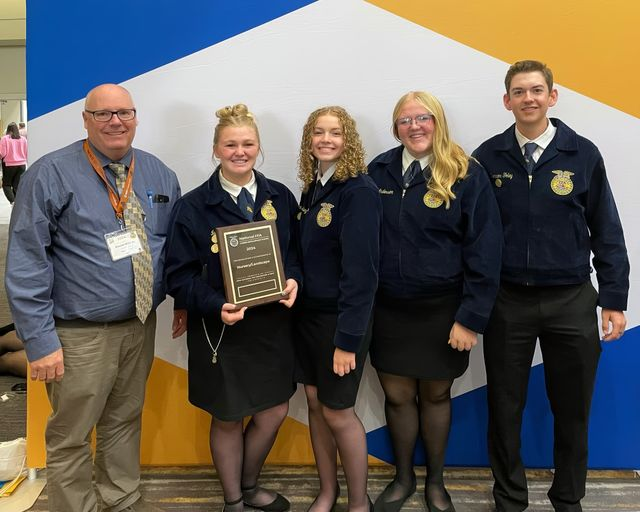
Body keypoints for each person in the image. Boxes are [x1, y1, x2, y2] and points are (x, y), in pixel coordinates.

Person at [5, 83, 181, 512]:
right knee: (71, 434)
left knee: (124, 420)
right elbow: (27, 261)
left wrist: (187, 300)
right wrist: (39, 341)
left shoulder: (159, 174)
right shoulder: (50, 173)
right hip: (78, 334)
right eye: (103, 114)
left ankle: (121, 498)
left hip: (139, 326)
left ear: (136, 117)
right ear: (85, 120)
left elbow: (174, 248)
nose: (115, 121)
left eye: (124, 113)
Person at [473, 60, 630, 512]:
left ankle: (568, 497)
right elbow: (474, 233)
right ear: (507, 101)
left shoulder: (582, 153)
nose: (529, 98)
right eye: (519, 92)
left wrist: (614, 299)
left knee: (573, 407)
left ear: (552, 96)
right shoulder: (487, 156)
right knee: (505, 407)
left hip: (571, 299)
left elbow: (607, 230)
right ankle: (509, 498)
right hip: (508, 300)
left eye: (537, 90)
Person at [367, 92, 501, 512]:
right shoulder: (378, 171)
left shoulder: (465, 172)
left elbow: (485, 250)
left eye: (423, 118)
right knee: (397, 397)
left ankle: (436, 483)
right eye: (405, 120)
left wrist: (470, 318)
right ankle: (404, 477)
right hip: (389, 310)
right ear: (395, 128)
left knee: (437, 397)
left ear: (438, 122)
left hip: (445, 311)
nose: (415, 127)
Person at [164, 104, 301, 512]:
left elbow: (296, 255)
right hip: (220, 329)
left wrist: (294, 280)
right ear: (215, 149)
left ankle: (249, 484)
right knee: (227, 416)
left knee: (275, 409)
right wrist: (216, 304)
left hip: (272, 327)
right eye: (230, 145)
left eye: (248, 144)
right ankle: (233, 502)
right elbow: (178, 276)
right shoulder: (193, 206)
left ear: (258, 147)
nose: (240, 152)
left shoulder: (280, 196)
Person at [295, 106, 381, 512]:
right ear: (308, 140)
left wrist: (347, 340)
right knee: (315, 404)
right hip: (308, 318)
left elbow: (362, 273)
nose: (326, 139)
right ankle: (327, 492)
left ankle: (359, 503)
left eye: (335, 132)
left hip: (342, 321)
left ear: (349, 140)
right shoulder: (312, 189)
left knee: (338, 412)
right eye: (319, 132)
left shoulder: (358, 191)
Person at [0, 122, 28, 204]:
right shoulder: (23, 139)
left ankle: (13, 202)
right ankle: (18, 204)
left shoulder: (5, 139)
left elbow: (2, 153)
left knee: (6, 185)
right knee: (17, 185)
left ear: (8, 130)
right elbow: (27, 152)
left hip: (9, 165)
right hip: (22, 165)